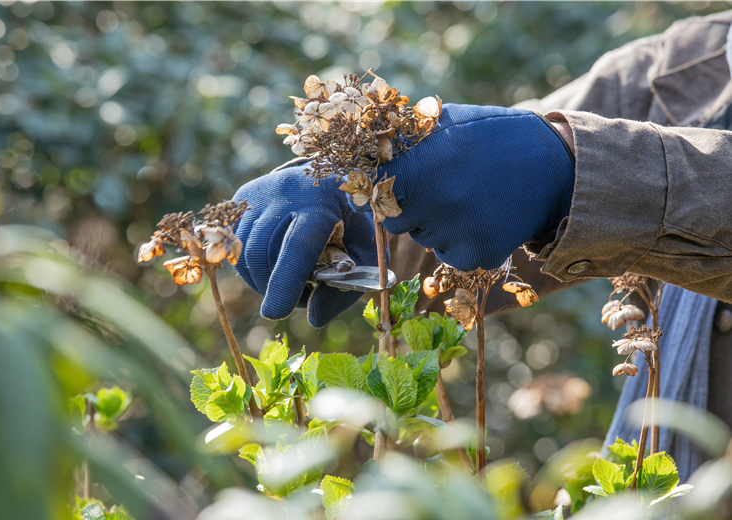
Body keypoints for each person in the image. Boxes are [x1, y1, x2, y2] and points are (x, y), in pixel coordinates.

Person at [231, 10, 732, 478]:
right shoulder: (692, 63)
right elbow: (492, 162)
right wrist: (355, 203)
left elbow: (550, 160)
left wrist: (577, 172)